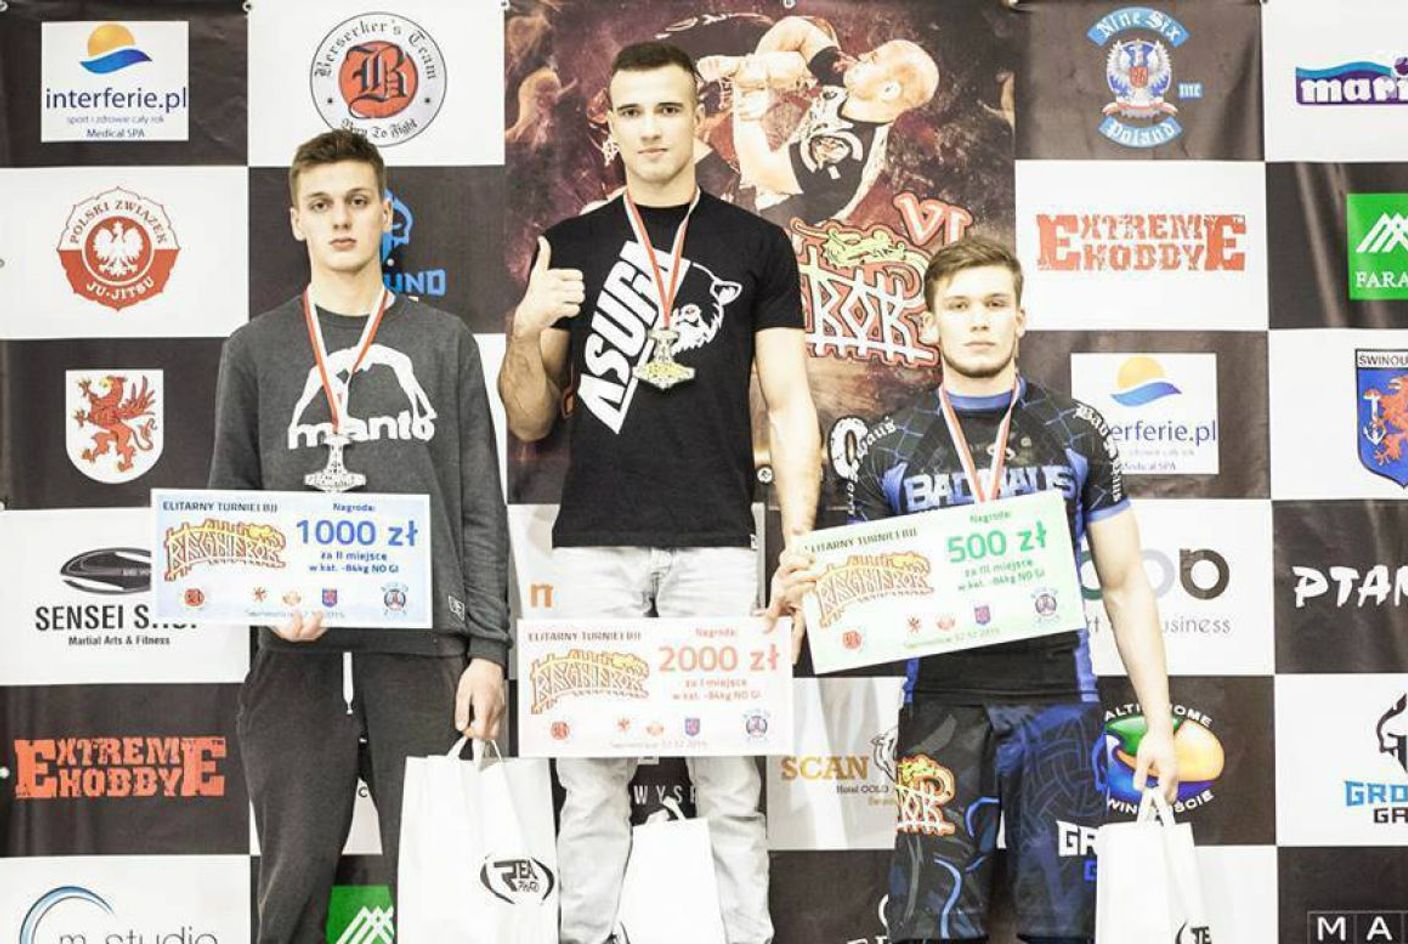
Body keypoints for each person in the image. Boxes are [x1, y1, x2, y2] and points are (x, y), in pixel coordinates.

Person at [497, 41, 820, 944]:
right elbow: (529, 417)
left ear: (700, 118)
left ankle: (744, 936)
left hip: (717, 540)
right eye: (631, 112)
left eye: (668, 109)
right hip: (595, 543)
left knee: (730, 778)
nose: (649, 129)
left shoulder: (757, 245)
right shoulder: (571, 245)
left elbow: (791, 405)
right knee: (590, 776)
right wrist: (524, 330)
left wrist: (797, 547)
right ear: (611, 124)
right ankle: (583, 936)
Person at [778, 236, 1179, 943]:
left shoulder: (1076, 431)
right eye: (959, 306)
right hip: (941, 708)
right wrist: (803, 590)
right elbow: (855, 594)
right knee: (931, 928)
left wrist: (1158, 724)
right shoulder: (890, 445)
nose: (979, 321)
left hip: (1059, 707)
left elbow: (1124, 586)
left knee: (1065, 929)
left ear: (1021, 318)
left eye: (995, 304)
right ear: (930, 324)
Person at [209, 129, 509, 942]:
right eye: (320, 204)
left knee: (444, 897)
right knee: (290, 896)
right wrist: (268, 605)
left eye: (356, 201)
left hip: (425, 655)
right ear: (296, 220)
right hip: (297, 658)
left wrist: (488, 652)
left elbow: (479, 508)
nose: (340, 219)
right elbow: (229, 508)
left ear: (385, 214)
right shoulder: (255, 350)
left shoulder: (442, 342)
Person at [695, 15, 939, 225]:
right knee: (798, 62)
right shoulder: (856, 83)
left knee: (675, 134)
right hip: (751, 191)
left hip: (759, 225)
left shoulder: (844, 154)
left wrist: (745, 87)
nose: (862, 55)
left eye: (873, 59)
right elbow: (795, 29)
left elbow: (759, 171)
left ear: (888, 91)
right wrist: (758, 74)